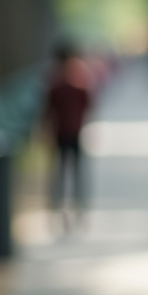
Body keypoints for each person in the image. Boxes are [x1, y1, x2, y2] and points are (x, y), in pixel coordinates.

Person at [43, 42, 94, 231]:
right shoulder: (68, 86)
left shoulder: (59, 85)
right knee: (66, 174)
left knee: (67, 174)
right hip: (67, 134)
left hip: (68, 133)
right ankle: (66, 210)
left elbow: (47, 113)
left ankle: (71, 210)